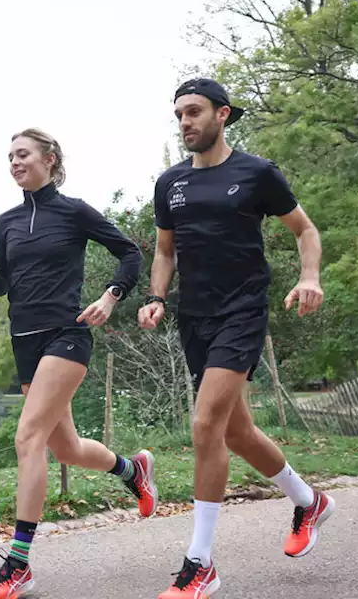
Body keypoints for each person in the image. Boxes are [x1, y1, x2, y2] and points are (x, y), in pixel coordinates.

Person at [139, 78, 334, 599]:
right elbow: (165, 251)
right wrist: (157, 296)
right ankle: (308, 501)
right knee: (236, 432)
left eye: (195, 111)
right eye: (178, 113)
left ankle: (199, 565)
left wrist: (309, 276)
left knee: (205, 425)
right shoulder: (170, 183)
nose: (185, 121)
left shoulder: (256, 173)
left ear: (222, 115)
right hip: (195, 316)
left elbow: (305, 230)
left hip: (242, 308)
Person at [0, 129, 158, 599]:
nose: (14, 162)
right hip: (24, 341)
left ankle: (17, 565)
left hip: (66, 333)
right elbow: (6, 287)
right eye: (9, 156)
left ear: (49, 160)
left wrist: (111, 296)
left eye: (23, 154)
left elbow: (130, 253)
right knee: (68, 448)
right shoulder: (6, 220)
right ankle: (132, 472)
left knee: (27, 438)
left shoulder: (74, 212)